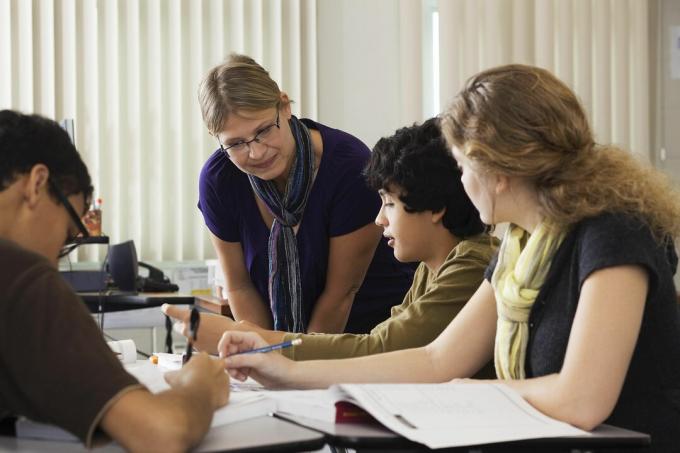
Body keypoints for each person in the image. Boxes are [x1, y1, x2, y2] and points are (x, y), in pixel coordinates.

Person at [217, 65, 680, 452]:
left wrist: (478, 393)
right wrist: (289, 372)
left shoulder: (613, 232)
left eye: (461, 165)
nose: (459, 181)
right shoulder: (524, 242)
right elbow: (437, 360)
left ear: (496, 169)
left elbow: (582, 400)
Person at [163, 118, 498, 361]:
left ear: (436, 207)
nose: (379, 218)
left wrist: (258, 340)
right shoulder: (433, 266)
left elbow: (381, 349)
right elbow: (380, 343)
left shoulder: (471, 264)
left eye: (390, 204)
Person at [0, 110, 229, 451]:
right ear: (36, 184)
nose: (57, 256)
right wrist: (199, 382)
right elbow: (163, 432)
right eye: (67, 235)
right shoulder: (22, 277)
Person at [196, 54, 414, 335]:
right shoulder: (219, 180)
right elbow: (240, 286)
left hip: (371, 333)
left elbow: (340, 294)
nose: (256, 152)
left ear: (284, 106)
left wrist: (293, 367)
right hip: (294, 341)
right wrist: (267, 354)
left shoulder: (349, 167)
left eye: (263, 130)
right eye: (235, 143)